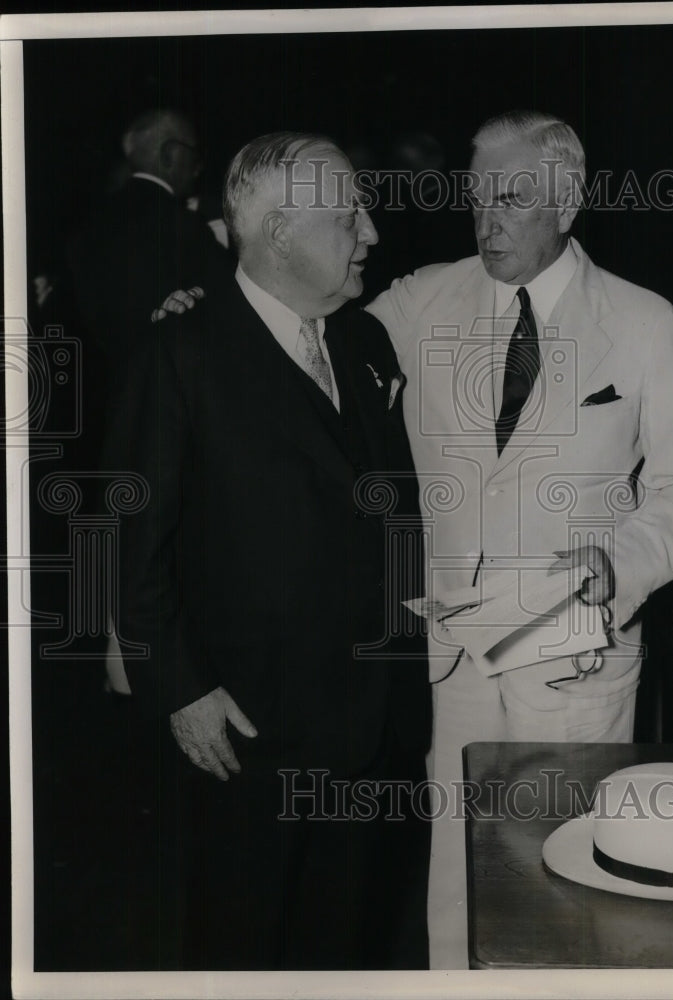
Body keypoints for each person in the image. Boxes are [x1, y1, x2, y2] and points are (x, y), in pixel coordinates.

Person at [365, 109, 673, 967]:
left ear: (568, 204)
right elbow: (306, 347)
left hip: (577, 651)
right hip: (452, 652)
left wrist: (619, 562)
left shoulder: (642, 322)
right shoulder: (418, 302)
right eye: (478, 195)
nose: (488, 217)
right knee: (455, 889)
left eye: (514, 197)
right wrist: (208, 307)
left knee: (558, 887)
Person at [104, 132, 431, 970]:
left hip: (374, 736)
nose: (372, 233)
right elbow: (124, 548)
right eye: (349, 215)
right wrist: (181, 690)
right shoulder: (179, 353)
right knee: (245, 957)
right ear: (281, 231)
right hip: (245, 742)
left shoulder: (366, 347)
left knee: (353, 954)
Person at [68, 108, 230, 365]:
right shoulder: (183, 224)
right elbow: (230, 302)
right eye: (194, 153)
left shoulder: (87, 222)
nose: (198, 167)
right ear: (169, 155)